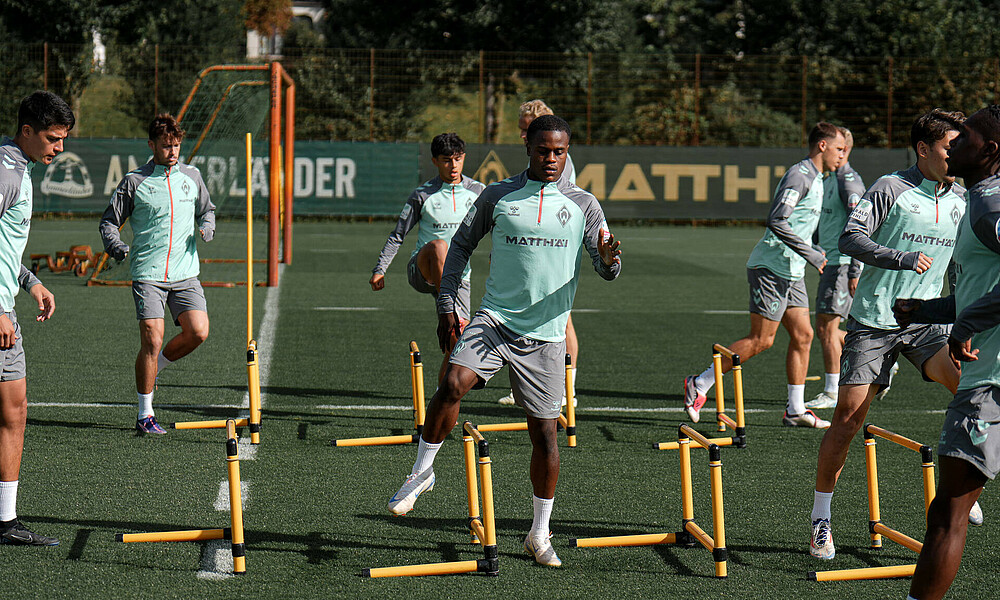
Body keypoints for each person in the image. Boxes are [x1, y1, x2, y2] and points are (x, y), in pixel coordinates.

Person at [387, 115, 621, 568]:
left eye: (559, 152)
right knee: (452, 382)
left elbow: (606, 266)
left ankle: (538, 533)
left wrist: (611, 260)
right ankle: (421, 472)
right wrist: (447, 308)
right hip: (494, 320)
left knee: (545, 437)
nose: (550, 159)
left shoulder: (584, 204)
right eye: (542, 150)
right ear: (527, 147)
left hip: (548, 337)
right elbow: (458, 249)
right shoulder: (497, 195)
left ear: (567, 151)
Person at [808, 109, 975, 561]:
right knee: (846, 420)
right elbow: (850, 238)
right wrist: (901, 257)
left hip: (928, 323)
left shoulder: (963, 198)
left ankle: (962, 490)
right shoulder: (890, 188)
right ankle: (821, 518)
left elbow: (962, 265)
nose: (955, 154)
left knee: (971, 389)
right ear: (923, 149)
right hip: (875, 322)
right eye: (948, 147)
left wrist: (962, 323)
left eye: (960, 146)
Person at [894, 105, 1000, 600]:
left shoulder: (989, 205)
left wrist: (967, 326)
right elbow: (985, 287)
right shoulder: (980, 198)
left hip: (992, 382)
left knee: (948, 516)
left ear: (990, 151)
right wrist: (930, 310)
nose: (953, 144)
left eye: (966, 139)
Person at [683, 122, 846, 428]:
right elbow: (777, 219)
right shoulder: (801, 175)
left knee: (804, 335)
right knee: (761, 340)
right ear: (822, 146)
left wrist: (810, 251)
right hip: (771, 268)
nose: (843, 155)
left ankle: (795, 410)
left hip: (792, 271)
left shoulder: (821, 178)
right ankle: (700, 382)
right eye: (839, 148)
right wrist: (810, 252)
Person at [99, 114, 215, 435]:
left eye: (177, 145)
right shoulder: (134, 181)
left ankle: (156, 368)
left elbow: (207, 210)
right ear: (151, 146)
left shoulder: (191, 176)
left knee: (199, 332)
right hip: (148, 274)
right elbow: (109, 222)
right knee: (152, 338)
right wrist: (116, 245)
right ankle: (144, 415)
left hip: (186, 274)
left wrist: (207, 226)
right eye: (166, 146)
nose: (173, 151)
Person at [0, 91, 66, 545]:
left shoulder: (18, 167)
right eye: (52, 138)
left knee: (15, 409)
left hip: (7, 308)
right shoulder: (5, 170)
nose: (59, 148)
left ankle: (5, 521)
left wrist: (29, 281)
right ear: (27, 130)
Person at [370, 133, 484, 380]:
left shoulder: (478, 192)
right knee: (439, 246)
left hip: (458, 277)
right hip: (422, 270)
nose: (453, 166)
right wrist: (380, 269)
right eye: (446, 160)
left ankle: (440, 403)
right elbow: (398, 235)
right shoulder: (422, 194)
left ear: (464, 158)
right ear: (435, 161)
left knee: (457, 344)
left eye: (457, 159)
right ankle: (447, 308)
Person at [499, 99, 579, 405]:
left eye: (525, 129)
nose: (521, 135)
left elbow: (558, 208)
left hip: (555, 248)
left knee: (562, 318)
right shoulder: (540, 155)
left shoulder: (558, 161)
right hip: (538, 247)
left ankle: (564, 390)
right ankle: (553, 388)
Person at [806, 127, 866, 410]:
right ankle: (885, 364)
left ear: (846, 150)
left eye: (842, 149)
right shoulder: (831, 178)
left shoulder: (848, 181)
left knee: (827, 330)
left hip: (843, 265)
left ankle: (832, 391)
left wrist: (855, 269)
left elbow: (861, 227)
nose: (838, 153)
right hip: (831, 262)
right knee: (827, 329)